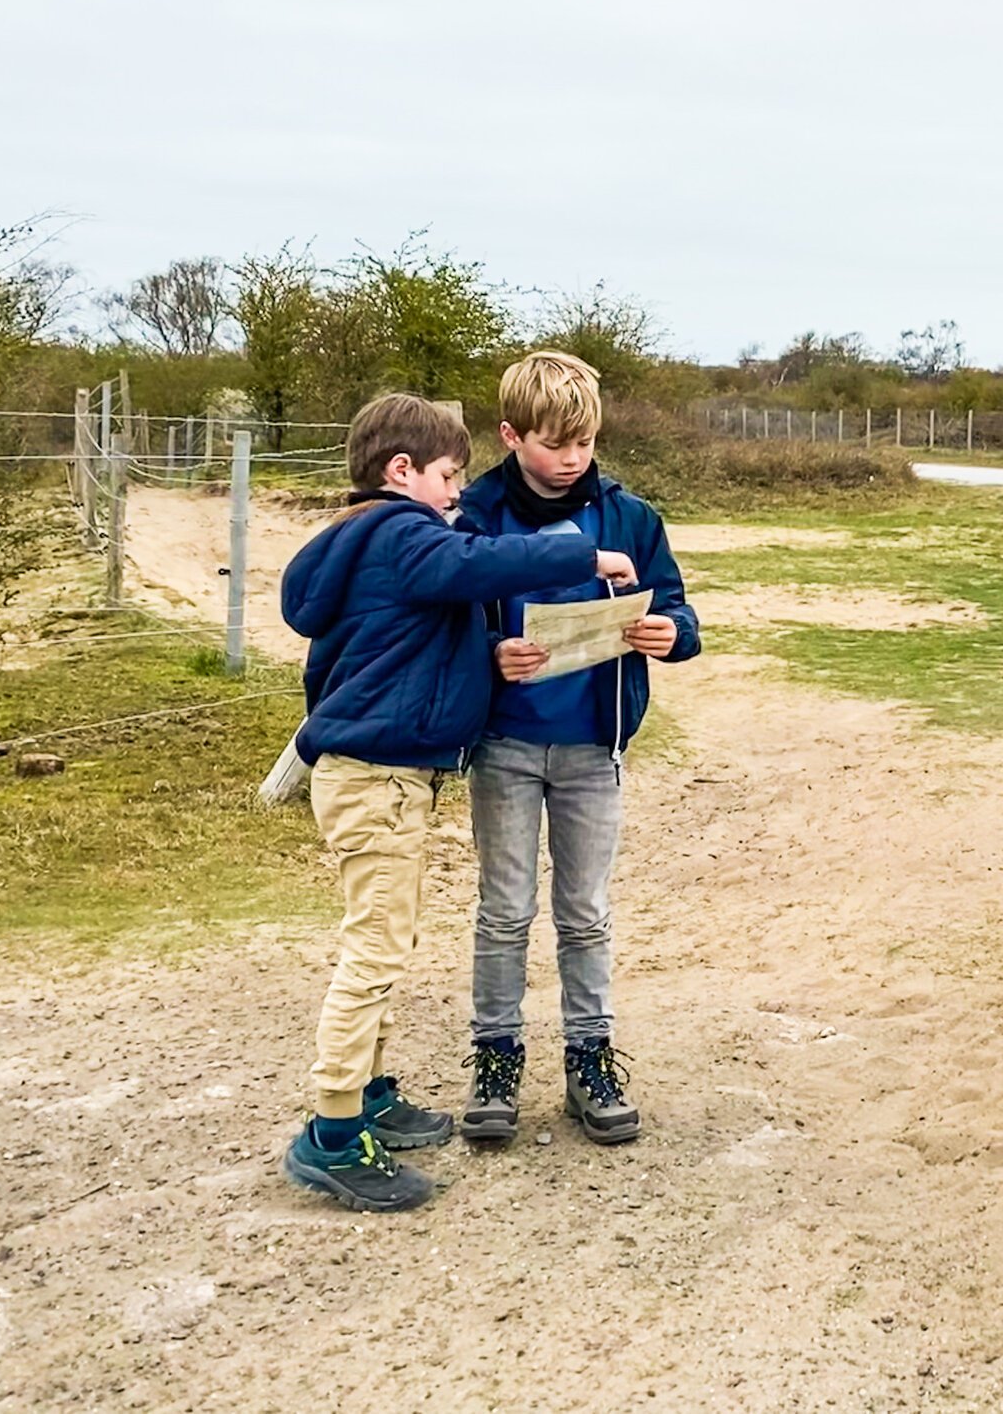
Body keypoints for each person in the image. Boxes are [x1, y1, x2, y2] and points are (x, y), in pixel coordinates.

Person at [276, 392, 636, 1211]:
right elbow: (478, 564)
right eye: (446, 475)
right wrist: (586, 558)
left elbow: (417, 642)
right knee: (373, 953)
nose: (455, 492)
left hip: (383, 776)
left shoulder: (367, 541)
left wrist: (488, 651)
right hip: (376, 778)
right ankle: (333, 1132)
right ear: (400, 472)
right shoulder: (402, 533)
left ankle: (370, 1094)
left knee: (388, 935)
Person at [453, 350, 700, 1148]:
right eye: (556, 443)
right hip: (504, 744)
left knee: (586, 912)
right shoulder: (476, 514)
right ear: (509, 433)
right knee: (504, 911)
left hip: (597, 745)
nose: (573, 458)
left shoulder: (631, 518)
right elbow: (444, 627)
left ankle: (589, 1058)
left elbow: (679, 610)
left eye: (585, 443)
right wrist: (489, 654)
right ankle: (495, 1060)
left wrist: (671, 635)